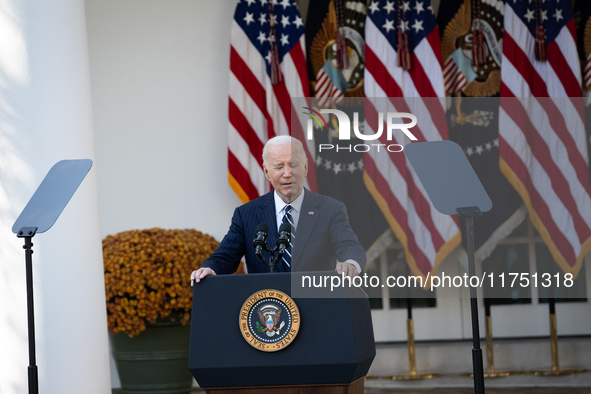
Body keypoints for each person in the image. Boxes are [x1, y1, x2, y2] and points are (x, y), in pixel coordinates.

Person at [191, 135, 365, 285]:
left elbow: (348, 244)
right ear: (267, 173)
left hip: (315, 307)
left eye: (293, 164)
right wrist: (209, 269)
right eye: (279, 166)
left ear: (305, 168)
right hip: (267, 311)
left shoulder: (330, 209)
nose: (287, 173)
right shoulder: (246, 214)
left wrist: (350, 263)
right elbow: (225, 257)